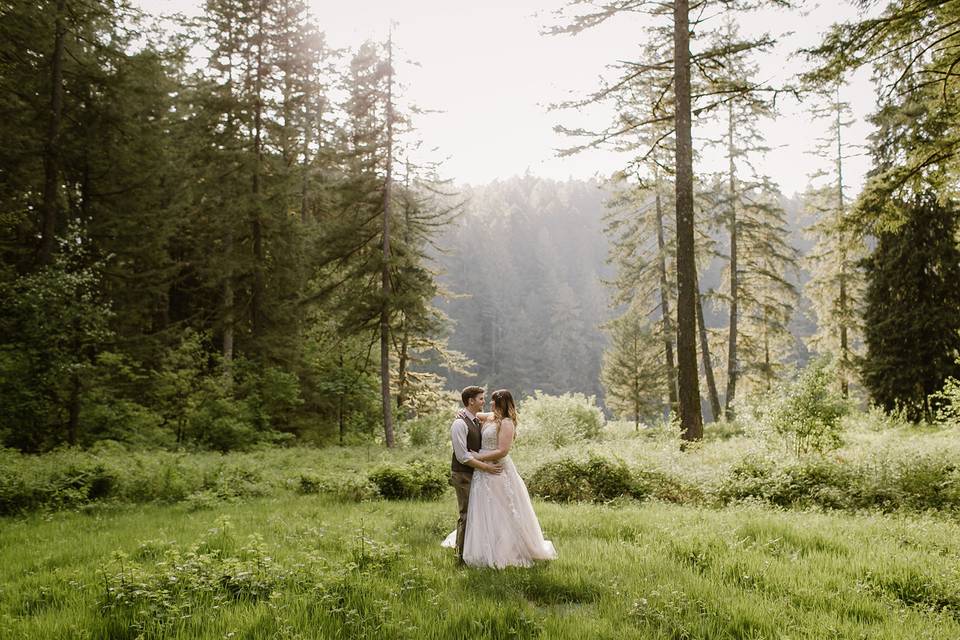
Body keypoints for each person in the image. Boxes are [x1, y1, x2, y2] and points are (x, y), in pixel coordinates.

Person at [442, 389, 557, 568]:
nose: (489, 403)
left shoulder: (506, 422)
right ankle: (478, 547)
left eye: (493, 401)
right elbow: (473, 412)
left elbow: (503, 451)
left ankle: (504, 549)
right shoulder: (490, 417)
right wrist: (461, 412)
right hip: (482, 471)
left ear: (500, 403)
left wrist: (478, 457)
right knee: (481, 509)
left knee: (501, 508)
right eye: (484, 399)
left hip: (496, 468)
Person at [447, 386, 503, 566]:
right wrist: (486, 468)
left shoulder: (474, 419)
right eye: (480, 399)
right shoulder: (459, 424)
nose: (483, 401)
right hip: (463, 474)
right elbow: (463, 457)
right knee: (466, 515)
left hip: (475, 474)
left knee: (476, 514)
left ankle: (474, 553)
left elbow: (493, 414)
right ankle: (460, 557)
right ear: (471, 401)